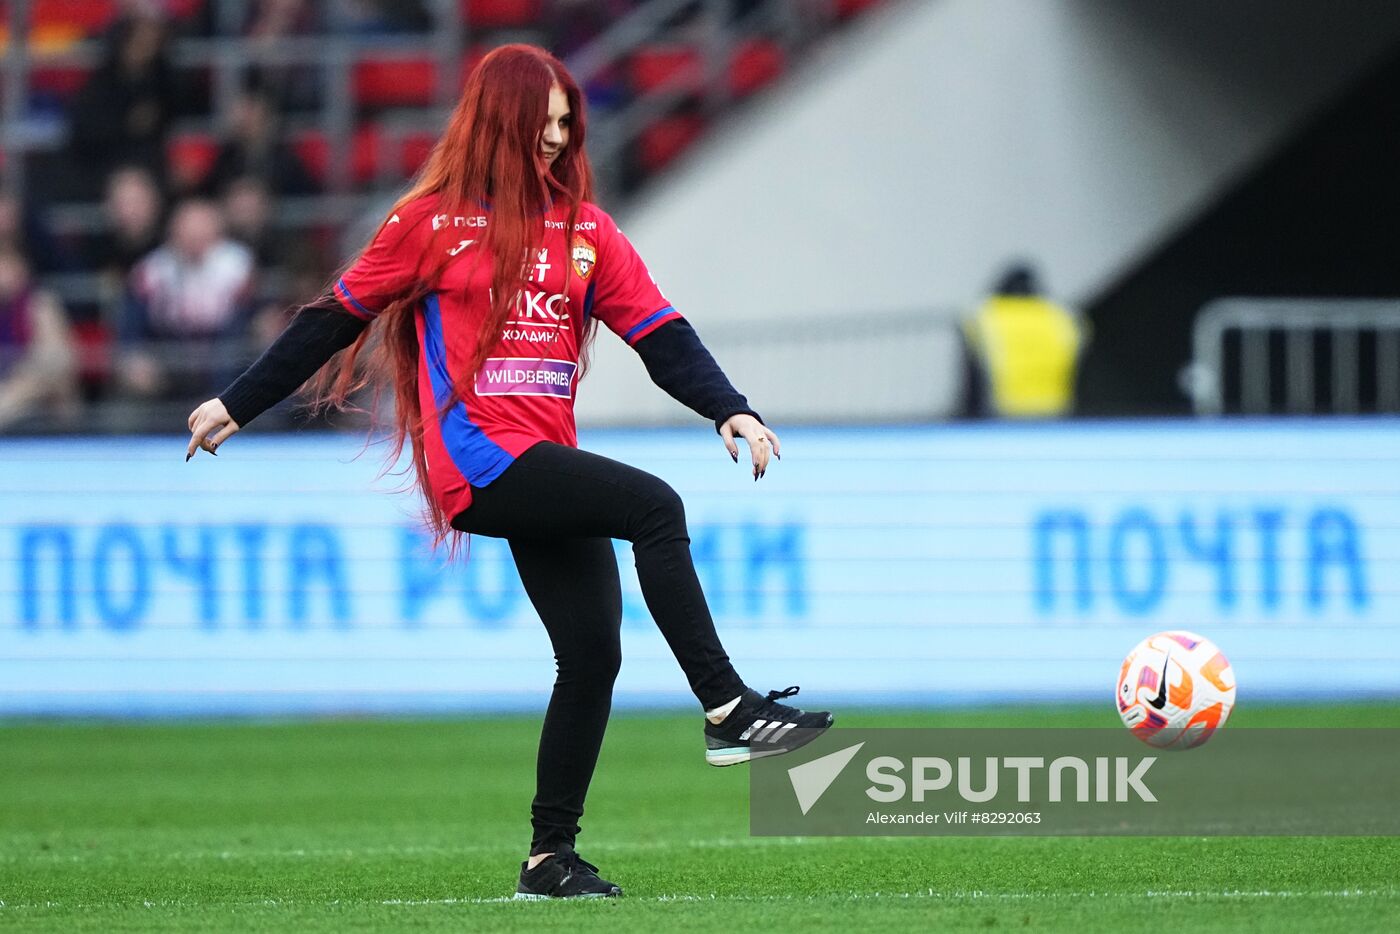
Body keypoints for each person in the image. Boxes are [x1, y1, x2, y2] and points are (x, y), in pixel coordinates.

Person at [185, 44, 832, 900]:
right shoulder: (430, 223)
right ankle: (729, 708)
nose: (558, 139)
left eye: (567, 124)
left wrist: (729, 407)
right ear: (501, 120)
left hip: (541, 459)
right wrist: (238, 402)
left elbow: (660, 333)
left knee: (592, 655)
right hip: (480, 458)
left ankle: (548, 859)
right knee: (654, 506)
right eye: (544, 123)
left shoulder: (587, 231)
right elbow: (332, 318)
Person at [121, 199, 256, 399]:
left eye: (201, 230)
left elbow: (245, 319)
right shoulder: (153, 269)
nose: (194, 238)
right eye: (188, 231)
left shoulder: (238, 265)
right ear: (174, 233)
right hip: (168, 352)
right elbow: (133, 321)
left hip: (225, 350)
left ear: (217, 232)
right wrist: (134, 354)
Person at [961, 262, 1086, 418]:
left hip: (1004, 411)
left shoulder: (985, 315)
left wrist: (968, 417)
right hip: (1056, 410)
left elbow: (972, 377)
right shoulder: (1062, 316)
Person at [0, 249, 78, 432]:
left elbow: (57, 360)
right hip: (7, 384)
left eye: (5, 269)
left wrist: (20, 370)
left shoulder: (40, 304)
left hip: (44, 386)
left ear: (20, 271)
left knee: (31, 381)